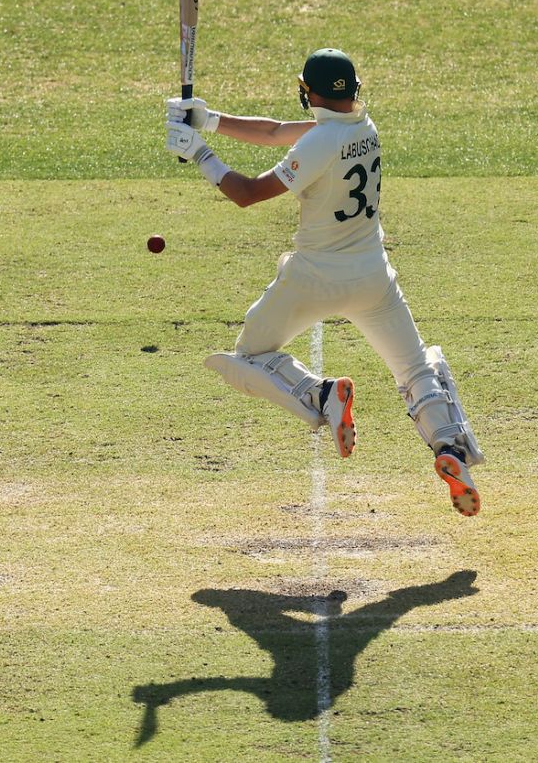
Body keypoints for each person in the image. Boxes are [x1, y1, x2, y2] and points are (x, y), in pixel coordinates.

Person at [163, 48, 484, 516]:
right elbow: (275, 132)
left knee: (248, 358)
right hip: (372, 276)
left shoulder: (320, 142)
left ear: (307, 90)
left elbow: (249, 194)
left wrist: (201, 154)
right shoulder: (361, 127)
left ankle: (320, 393)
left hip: (313, 277)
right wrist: (209, 119)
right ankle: (450, 450)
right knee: (416, 371)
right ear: (352, 90)